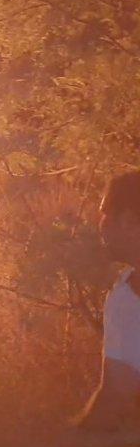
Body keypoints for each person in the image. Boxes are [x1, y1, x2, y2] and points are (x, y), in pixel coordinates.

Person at [78, 171, 140, 429]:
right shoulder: (127, 291)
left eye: (105, 213)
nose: (100, 225)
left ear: (127, 220)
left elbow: (116, 393)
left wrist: (67, 446)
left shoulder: (126, 298)